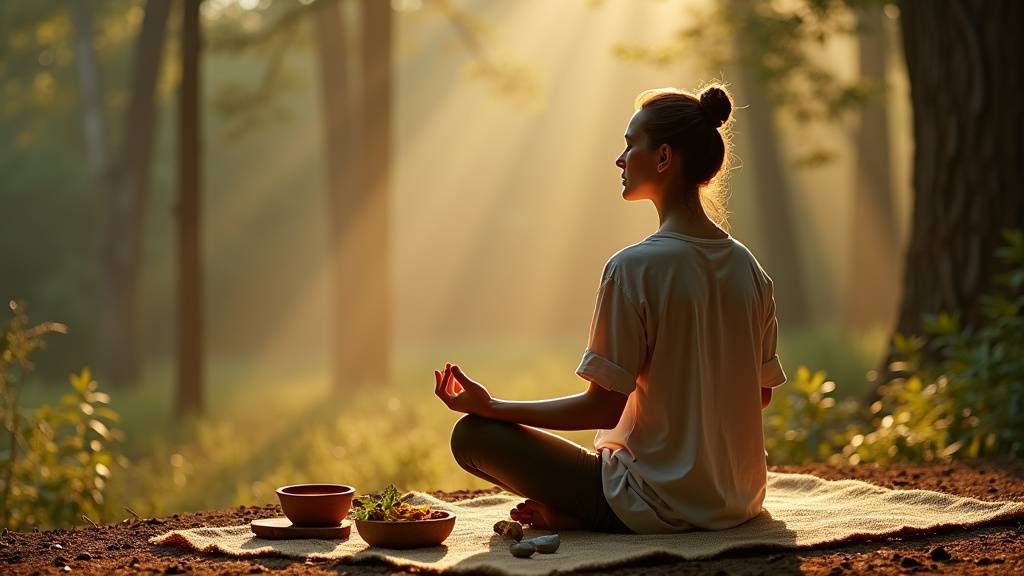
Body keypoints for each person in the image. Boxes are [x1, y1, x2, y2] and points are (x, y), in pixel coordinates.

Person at [432, 84, 787, 534]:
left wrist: (492, 406)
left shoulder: (632, 269)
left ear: (663, 158)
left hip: (653, 501)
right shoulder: (750, 270)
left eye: (629, 145)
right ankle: (593, 508)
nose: (619, 160)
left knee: (472, 437)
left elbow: (601, 410)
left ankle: (596, 515)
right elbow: (759, 395)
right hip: (739, 501)